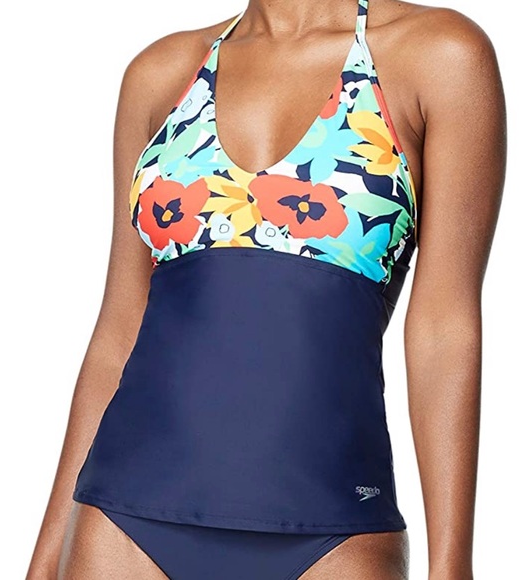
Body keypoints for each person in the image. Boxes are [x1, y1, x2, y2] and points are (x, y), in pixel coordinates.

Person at [26, 0, 506, 578]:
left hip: (333, 526)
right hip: (123, 521)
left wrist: (452, 567)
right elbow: (119, 329)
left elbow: (444, 327)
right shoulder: (162, 72)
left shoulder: (438, 54)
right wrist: (44, 560)